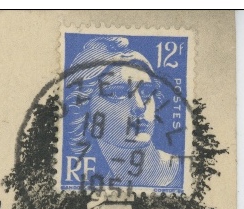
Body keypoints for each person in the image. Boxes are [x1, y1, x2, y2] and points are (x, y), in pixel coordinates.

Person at [63, 35, 182, 191]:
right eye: (117, 93)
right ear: (85, 111)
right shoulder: (101, 187)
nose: (140, 106)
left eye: (146, 91)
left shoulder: (186, 172)